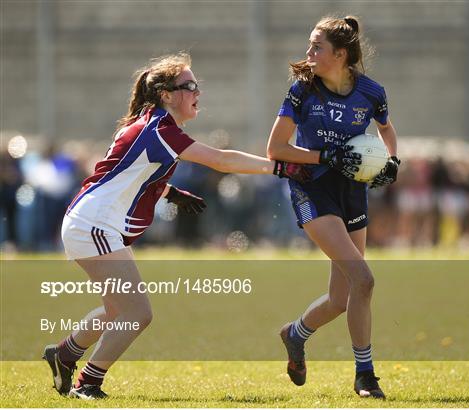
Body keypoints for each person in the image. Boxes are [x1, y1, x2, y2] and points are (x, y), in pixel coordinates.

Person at [43, 52, 310, 400]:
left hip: (90, 222)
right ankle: (88, 383)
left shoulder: (150, 124)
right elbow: (220, 159)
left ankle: (63, 355)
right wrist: (278, 168)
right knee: (137, 313)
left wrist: (169, 192)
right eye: (189, 86)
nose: (197, 91)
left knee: (116, 311)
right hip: (93, 224)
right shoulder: (160, 128)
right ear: (167, 94)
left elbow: (126, 173)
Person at [267, 15, 400, 399]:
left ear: (340, 55)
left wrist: (392, 162)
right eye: (310, 45)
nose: (308, 53)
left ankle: (295, 334)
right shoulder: (301, 91)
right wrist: (326, 154)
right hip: (312, 189)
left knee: (342, 299)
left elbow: (386, 129)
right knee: (365, 280)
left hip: (352, 191)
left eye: (316, 47)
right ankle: (365, 375)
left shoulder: (372, 92)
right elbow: (275, 149)